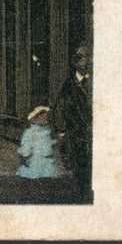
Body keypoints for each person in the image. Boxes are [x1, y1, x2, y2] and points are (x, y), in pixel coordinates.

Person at [54, 45, 92, 197]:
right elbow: (60, 108)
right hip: (75, 131)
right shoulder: (69, 85)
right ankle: (81, 190)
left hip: (90, 130)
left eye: (89, 58)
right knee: (79, 161)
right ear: (76, 62)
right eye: (83, 59)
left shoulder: (94, 82)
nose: (87, 62)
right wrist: (61, 130)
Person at [17, 105, 58, 179]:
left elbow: (46, 143)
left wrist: (54, 142)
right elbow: (26, 145)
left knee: (46, 180)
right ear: (35, 119)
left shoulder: (47, 131)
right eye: (41, 117)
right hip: (34, 162)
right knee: (34, 181)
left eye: (45, 117)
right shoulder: (31, 132)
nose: (44, 119)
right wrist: (25, 155)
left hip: (46, 162)